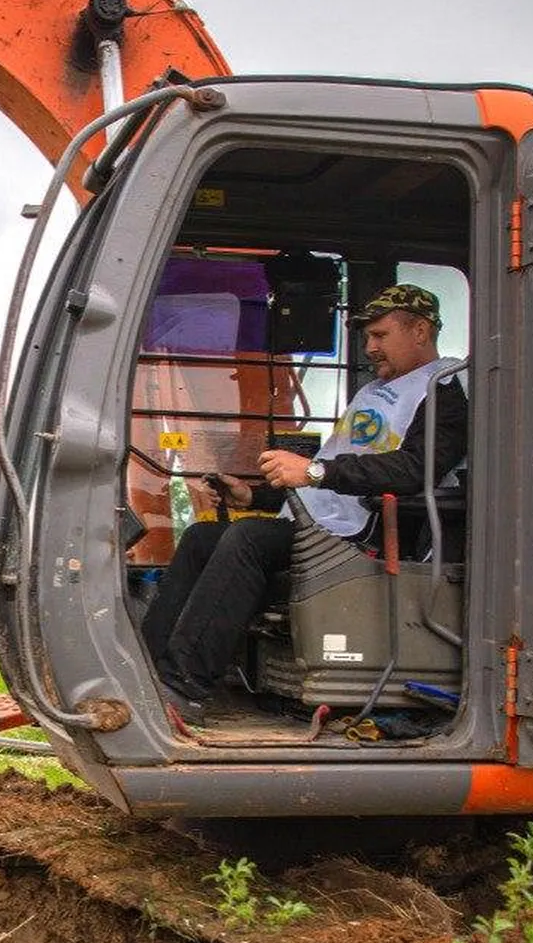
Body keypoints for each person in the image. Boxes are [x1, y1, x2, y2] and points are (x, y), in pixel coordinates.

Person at [141, 284, 469, 725]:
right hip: (325, 519)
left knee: (249, 539)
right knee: (202, 536)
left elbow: (415, 470)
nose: (370, 347)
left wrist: (314, 472)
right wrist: (255, 494)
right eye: (367, 337)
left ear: (421, 330)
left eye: (380, 335)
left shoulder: (444, 389)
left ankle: (184, 686)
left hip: (372, 532)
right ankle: (146, 670)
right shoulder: (374, 392)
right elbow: (326, 471)